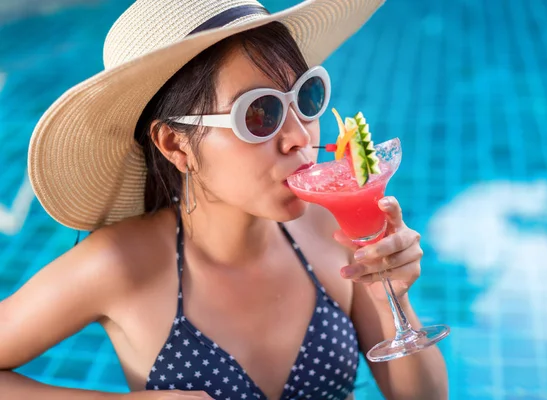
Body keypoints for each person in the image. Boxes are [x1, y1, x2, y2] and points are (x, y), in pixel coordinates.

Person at [0, 0, 448, 399]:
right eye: (260, 113)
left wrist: (391, 294)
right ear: (176, 146)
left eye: (306, 96)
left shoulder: (332, 232)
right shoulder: (120, 265)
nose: (299, 137)